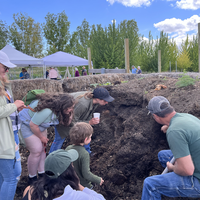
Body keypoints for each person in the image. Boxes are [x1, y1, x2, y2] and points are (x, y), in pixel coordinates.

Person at [142, 96, 200, 199]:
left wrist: (173, 168)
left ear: (155, 116)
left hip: (197, 180)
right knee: (163, 155)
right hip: (195, 161)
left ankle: (184, 187)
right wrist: (168, 126)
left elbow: (188, 170)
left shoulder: (174, 131)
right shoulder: (186, 117)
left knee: (150, 184)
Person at [19, 93, 75, 184]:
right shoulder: (47, 111)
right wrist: (41, 137)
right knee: (36, 150)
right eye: (68, 108)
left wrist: (70, 113)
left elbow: (67, 123)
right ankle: (32, 177)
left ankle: (42, 173)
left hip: (39, 126)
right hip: (27, 124)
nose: (70, 110)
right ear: (61, 106)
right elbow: (33, 125)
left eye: (72, 107)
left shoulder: (62, 111)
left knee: (43, 149)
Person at [49, 87, 114, 154]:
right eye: (105, 100)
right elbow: (71, 120)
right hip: (63, 119)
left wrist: (89, 122)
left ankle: (87, 152)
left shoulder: (94, 101)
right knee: (59, 139)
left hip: (74, 118)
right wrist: (89, 122)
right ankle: (51, 157)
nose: (107, 102)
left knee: (86, 131)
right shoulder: (83, 104)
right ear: (97, 99)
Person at [22, 149, 106, 200]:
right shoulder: (74, 196)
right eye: (72, 165)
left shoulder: (30, 190)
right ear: (68, 172)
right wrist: (80, 187)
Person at [0, 51, 26, 200]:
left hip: (10, 135)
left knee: (6, 177)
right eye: (5, 67)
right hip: (3, 140)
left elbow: (6, 108)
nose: (7, 71)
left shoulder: (4, 85)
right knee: (12, 177)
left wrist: (15, 107)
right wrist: (14, 106)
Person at [66, 122, 104, 188]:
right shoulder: (84, 154)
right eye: (90, 137)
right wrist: (98, 179)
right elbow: (86, 174)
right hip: (83, 185)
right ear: (86, 139)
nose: (91, 139)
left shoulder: (68, 148)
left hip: (70, 182)